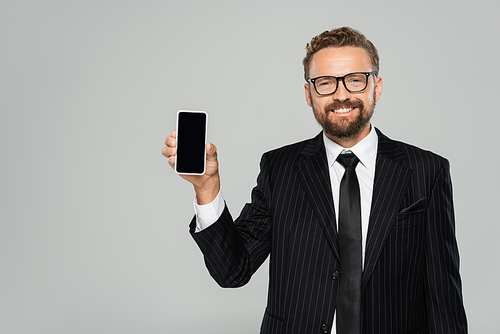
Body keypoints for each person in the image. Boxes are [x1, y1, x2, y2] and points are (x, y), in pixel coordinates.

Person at [162, 27, 467, 334]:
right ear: (309, 94)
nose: (341, 94)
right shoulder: (279, 168)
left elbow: (444, 296)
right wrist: (206, 187)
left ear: (377, 87)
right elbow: (232, 271)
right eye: (325, 83)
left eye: (356, 79)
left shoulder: (426, 170)